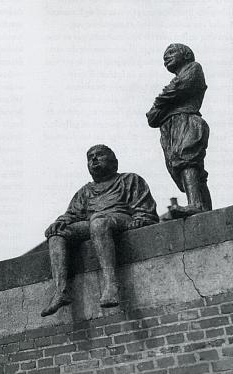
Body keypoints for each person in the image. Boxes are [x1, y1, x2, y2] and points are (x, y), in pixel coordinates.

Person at [41, 145, 159, 317]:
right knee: (58, 234)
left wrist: (140, 219)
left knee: (98, 221)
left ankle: (111, 284)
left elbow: (143, 208)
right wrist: (60, 222)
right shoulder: (85, 191)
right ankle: (61, 291)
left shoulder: (129, 180)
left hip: (119, 218)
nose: (94, 159)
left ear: (114, 162)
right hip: (94, 222)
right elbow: (72, 214)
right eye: (90, 157)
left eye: (100, 155)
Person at [146, 43, 211, 218]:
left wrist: (162, 101)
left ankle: (195, 204)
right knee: (182, 168)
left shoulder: (194, 68)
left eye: (171, 53)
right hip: (170, 128)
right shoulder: (176, 81)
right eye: (164, 56)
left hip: (187, 120)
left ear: (186, 54)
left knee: (187, 161)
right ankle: (204, 208)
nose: (166, 57)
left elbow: (179, 87)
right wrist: (164, 102)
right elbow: (152, 119)